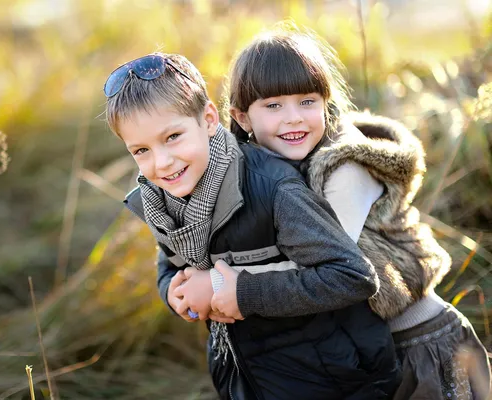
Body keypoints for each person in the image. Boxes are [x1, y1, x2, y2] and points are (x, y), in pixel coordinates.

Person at [104, 52, 400, 399]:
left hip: (328, 378)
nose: (162, 162)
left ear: (209, 119)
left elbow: (352, 277)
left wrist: (240, 293)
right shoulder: (160, 197)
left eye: (173, 137)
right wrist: (173, 291)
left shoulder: (273, 189)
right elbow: (169, 260)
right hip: (243, 374)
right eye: (141, 150)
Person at [220, 25, 491, 400]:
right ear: (243, 117)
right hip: (363, 349)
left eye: (307, 101)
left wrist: (229, 287)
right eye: (273, 105)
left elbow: (325, 267)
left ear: (326, 102)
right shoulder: (266, 170)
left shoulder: (347, 168)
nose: (294, 117)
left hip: (421, 342)